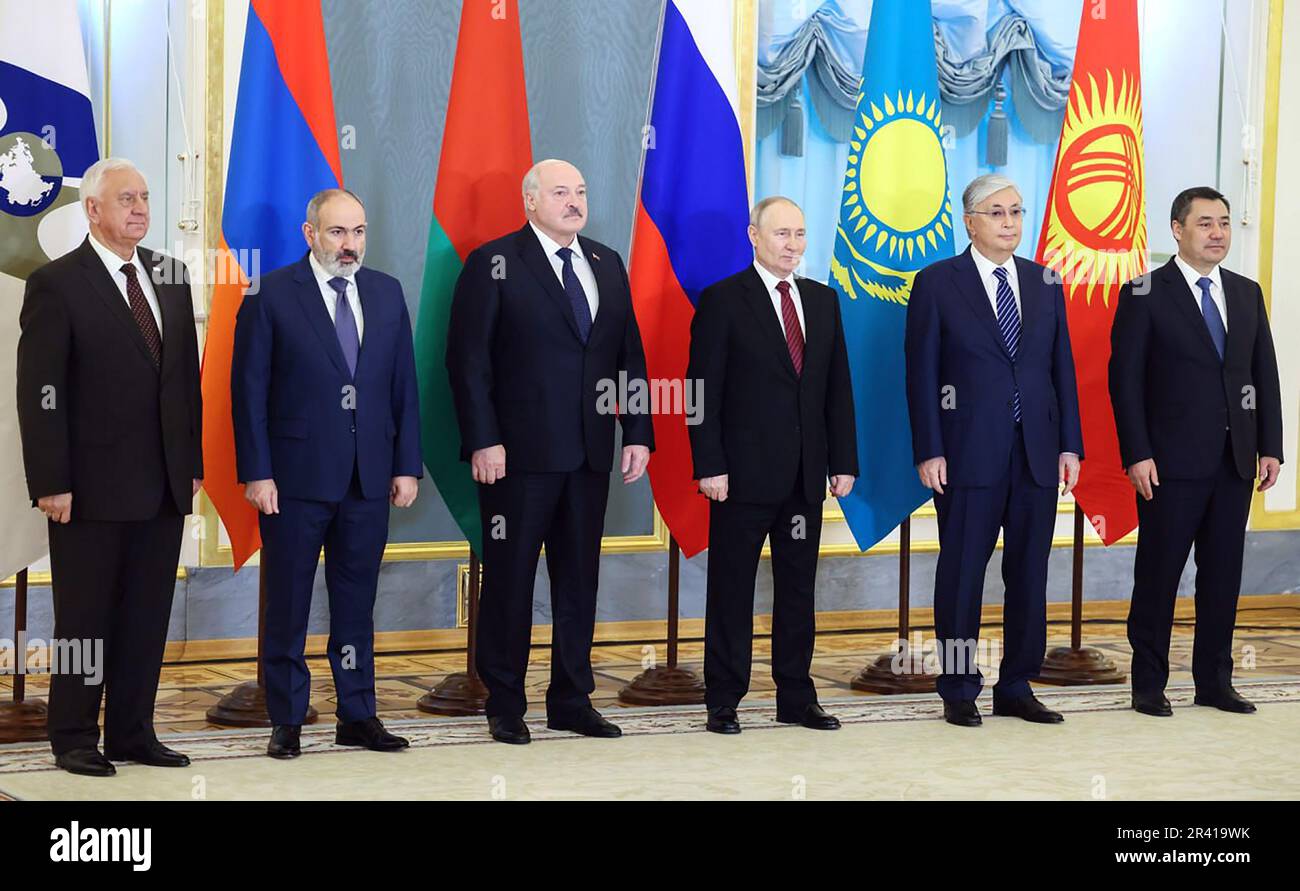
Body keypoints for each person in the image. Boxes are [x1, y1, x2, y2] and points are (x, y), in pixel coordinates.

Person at [446, 159, 653, 745]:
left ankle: (570, 698)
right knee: (510, 579)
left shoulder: (606, 262)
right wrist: (484, 438)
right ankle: (505, 701)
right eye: (561, 192)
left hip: (589, 456)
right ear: (530, 201)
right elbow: (468, 362)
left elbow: (628, 357)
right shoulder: (495, 262)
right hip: (517, 458)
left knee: (579, 580)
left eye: (581, 192)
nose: (574, 201)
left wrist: (637, 433)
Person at [16, 157, 203, 776]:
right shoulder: (58, 283)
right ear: (93, 210)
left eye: (145, 198)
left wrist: (192, 467)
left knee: (146, 616)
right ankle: (72, 735)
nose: (141, 209)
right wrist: (50, 481)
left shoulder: (171, 277)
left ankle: (132, 731)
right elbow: (39, 390)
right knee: (85, 617)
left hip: (164, 485)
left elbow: (185, 386)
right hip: (88, 490)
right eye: (127, 199)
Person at [232, 188, 422, 759]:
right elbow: (249, 394)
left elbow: (403, 390)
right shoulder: (270, 294)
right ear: (309, 233)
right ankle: (287, 718)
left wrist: (406, 466)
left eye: (359, 232)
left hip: (369, 478)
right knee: (287, 602)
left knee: (356, 605)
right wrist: (257, 472)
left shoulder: (385, 292)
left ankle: (357, 714)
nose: (350, 244)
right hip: (292, 480)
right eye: (338, 232)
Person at [905, 173, 1083, 727]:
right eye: (998, 213)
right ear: (971, 221)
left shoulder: (1045, 281)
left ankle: (1016, 683)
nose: (1011, 223)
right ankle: (958, 687)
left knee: (1029, 573)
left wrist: (1069, 445)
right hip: (965, 455)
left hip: (1035, 452)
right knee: (962, 574)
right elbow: (921, 373)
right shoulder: (937, 282)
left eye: (1017, 212)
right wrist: (930, 448)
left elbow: (1062, 370)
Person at [1109, 186, 1283, 717]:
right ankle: (1148, 684)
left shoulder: (1246, 292)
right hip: (1167, 465)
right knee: (1159, 574)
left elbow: (1263, 375)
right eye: (1205, 223)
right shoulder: (1143, 293)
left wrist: (1270, 446)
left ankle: (1214, 682)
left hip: (1235, 463)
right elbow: (1125, 382)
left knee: (1223, 575)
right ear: (1177, 229)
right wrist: (1137, 453)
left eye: (1225, 223)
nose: (1217, 233)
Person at [687, 196, 857, 735]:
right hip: (739, 477)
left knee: (799, 591)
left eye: (800, 234)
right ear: (754, 236)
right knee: (732, 589)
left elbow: (837, 390)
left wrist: (843, 461)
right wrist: (708, 464)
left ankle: (796, 696)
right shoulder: (723, 300)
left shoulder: (823, 301)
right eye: (781, 233)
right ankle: (724, 697)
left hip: (806, 477)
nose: (792, 244)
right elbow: (701, 390)